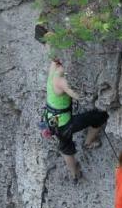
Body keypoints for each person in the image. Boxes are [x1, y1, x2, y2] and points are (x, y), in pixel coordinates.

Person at [44, 55, 108, 183]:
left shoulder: (53, 66)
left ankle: (74, 174)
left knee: (65, 145)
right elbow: (79, 96)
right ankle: (88, 142)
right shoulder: (61, 80)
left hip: (51, 118)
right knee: (100, 116)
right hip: (63, 122)